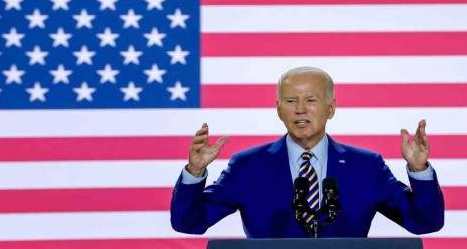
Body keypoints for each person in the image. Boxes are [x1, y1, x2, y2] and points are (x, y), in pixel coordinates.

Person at [170, 66, 445, 238]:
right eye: (291, 101)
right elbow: (189, 223)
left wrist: (419, 170)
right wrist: (195, 172)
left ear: (331, 108)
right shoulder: (248, 166)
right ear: (279, 109)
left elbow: (424, 222)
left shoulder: (365, 166)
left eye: (311, 100)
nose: (300, 109)